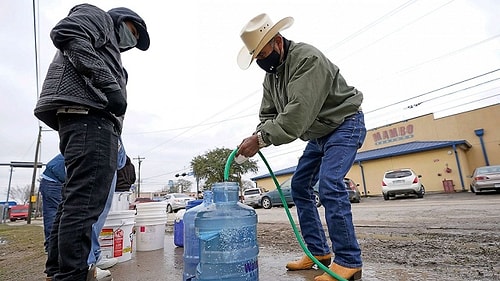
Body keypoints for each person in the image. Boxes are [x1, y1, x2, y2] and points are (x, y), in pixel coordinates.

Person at [236, 14, 366, 281]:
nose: (261, 60)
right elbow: (267, 116)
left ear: (278, 41)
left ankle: (349, 261)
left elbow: (297, 115)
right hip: (318, 135)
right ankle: (319, 253)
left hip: (344, 124)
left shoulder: (308, 59)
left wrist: (260, 140)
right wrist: (258, 134)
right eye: (256, 57)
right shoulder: (271, 78)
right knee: (299, 187)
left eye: (263, 53)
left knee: (330, 184)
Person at [34, 3, 150, 281]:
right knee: (84, 205)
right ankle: (72, 275)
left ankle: (60, 270)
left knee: (74, 202)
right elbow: (67, 32)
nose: (131, 42)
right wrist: (109, 85)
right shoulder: (98, 18)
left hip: (85, 120)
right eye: (133, 32)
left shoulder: (108, 49)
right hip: (89, 119)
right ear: (122, 20)